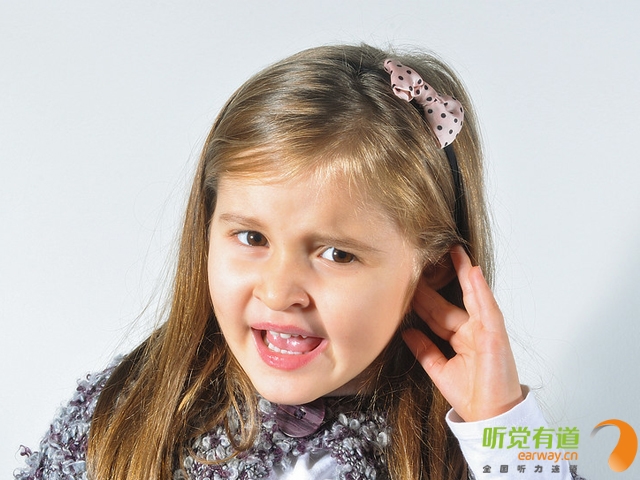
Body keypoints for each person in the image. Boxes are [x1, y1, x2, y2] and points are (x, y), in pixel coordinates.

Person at [14, 44, 586, 480]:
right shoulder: (125, 410)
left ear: (432, 266)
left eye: (337, 254)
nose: (279, 290)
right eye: (251, 237)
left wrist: (503, 420)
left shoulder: (467, 446)